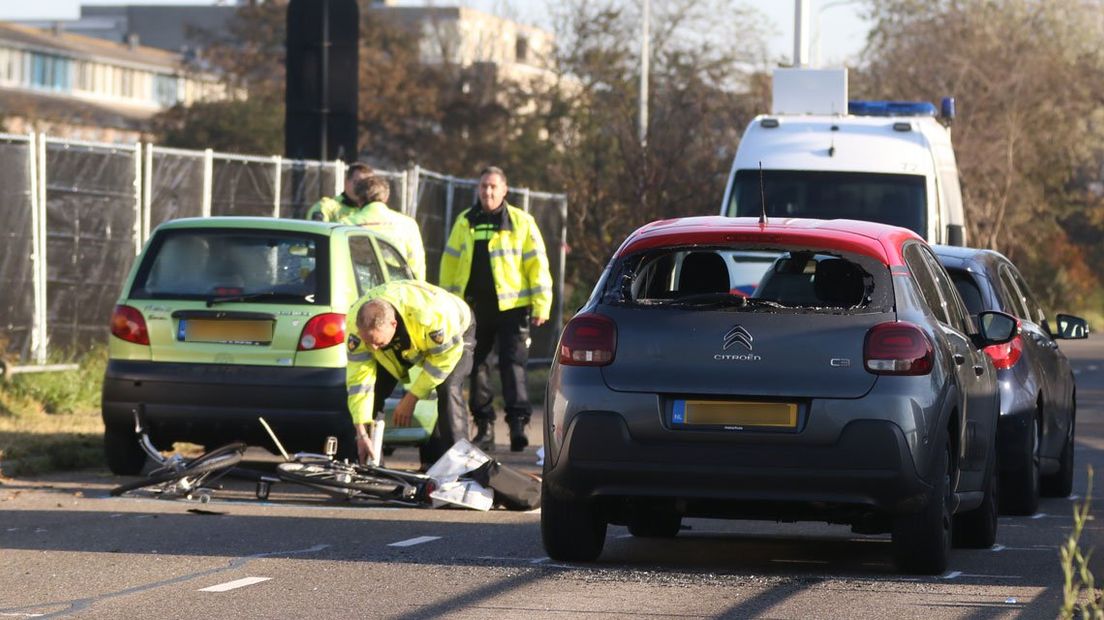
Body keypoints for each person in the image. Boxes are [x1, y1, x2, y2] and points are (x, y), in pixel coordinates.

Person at [438, 166, 553, 452]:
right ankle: (485, 426)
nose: (487, 192)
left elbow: (537, 266)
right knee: (477, 368)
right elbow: (450, 265)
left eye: (493, 187)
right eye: (483, 187)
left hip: (513, 307)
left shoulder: (521, 222)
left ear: (504, 190)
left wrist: (541, 304)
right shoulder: (466, 221)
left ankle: (517, 426)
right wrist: (449, 306)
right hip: (474, 309)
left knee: (512, 365)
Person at [345, 280, 474, 468]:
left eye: (376, 342)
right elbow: (359, 383)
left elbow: (442, 362)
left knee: (448, 390)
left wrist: (411, 398)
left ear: (393, 324)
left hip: (454, 335)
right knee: (373, 393)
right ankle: (371, 465)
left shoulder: (432, 316)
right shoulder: (355, 327)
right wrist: (361, 431)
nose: (372, 348)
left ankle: (458, 468)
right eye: (368, 342)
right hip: (403, 342)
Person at [351, 176, 427, 280]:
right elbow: (416, 265)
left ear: (358, 199)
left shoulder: (344, 224)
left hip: (356, 289)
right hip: (397, 289)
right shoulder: (407, 224)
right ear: (386, 197)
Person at [305, 162, 374, 222]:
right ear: (346, 181)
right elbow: (317, 232)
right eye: (357, 183)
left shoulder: (373, 211)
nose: (362, 187)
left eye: (366, 184)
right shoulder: (326, 207)